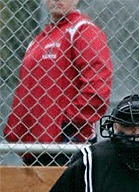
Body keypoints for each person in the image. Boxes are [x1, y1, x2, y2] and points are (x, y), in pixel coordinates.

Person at [4, 0, 113, 166]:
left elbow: (98, 88)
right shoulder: (37, 42)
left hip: (68, 145)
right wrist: (16, 132)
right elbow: (24, 93)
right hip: (35, 147)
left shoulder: (83, 30)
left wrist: (65, 125)